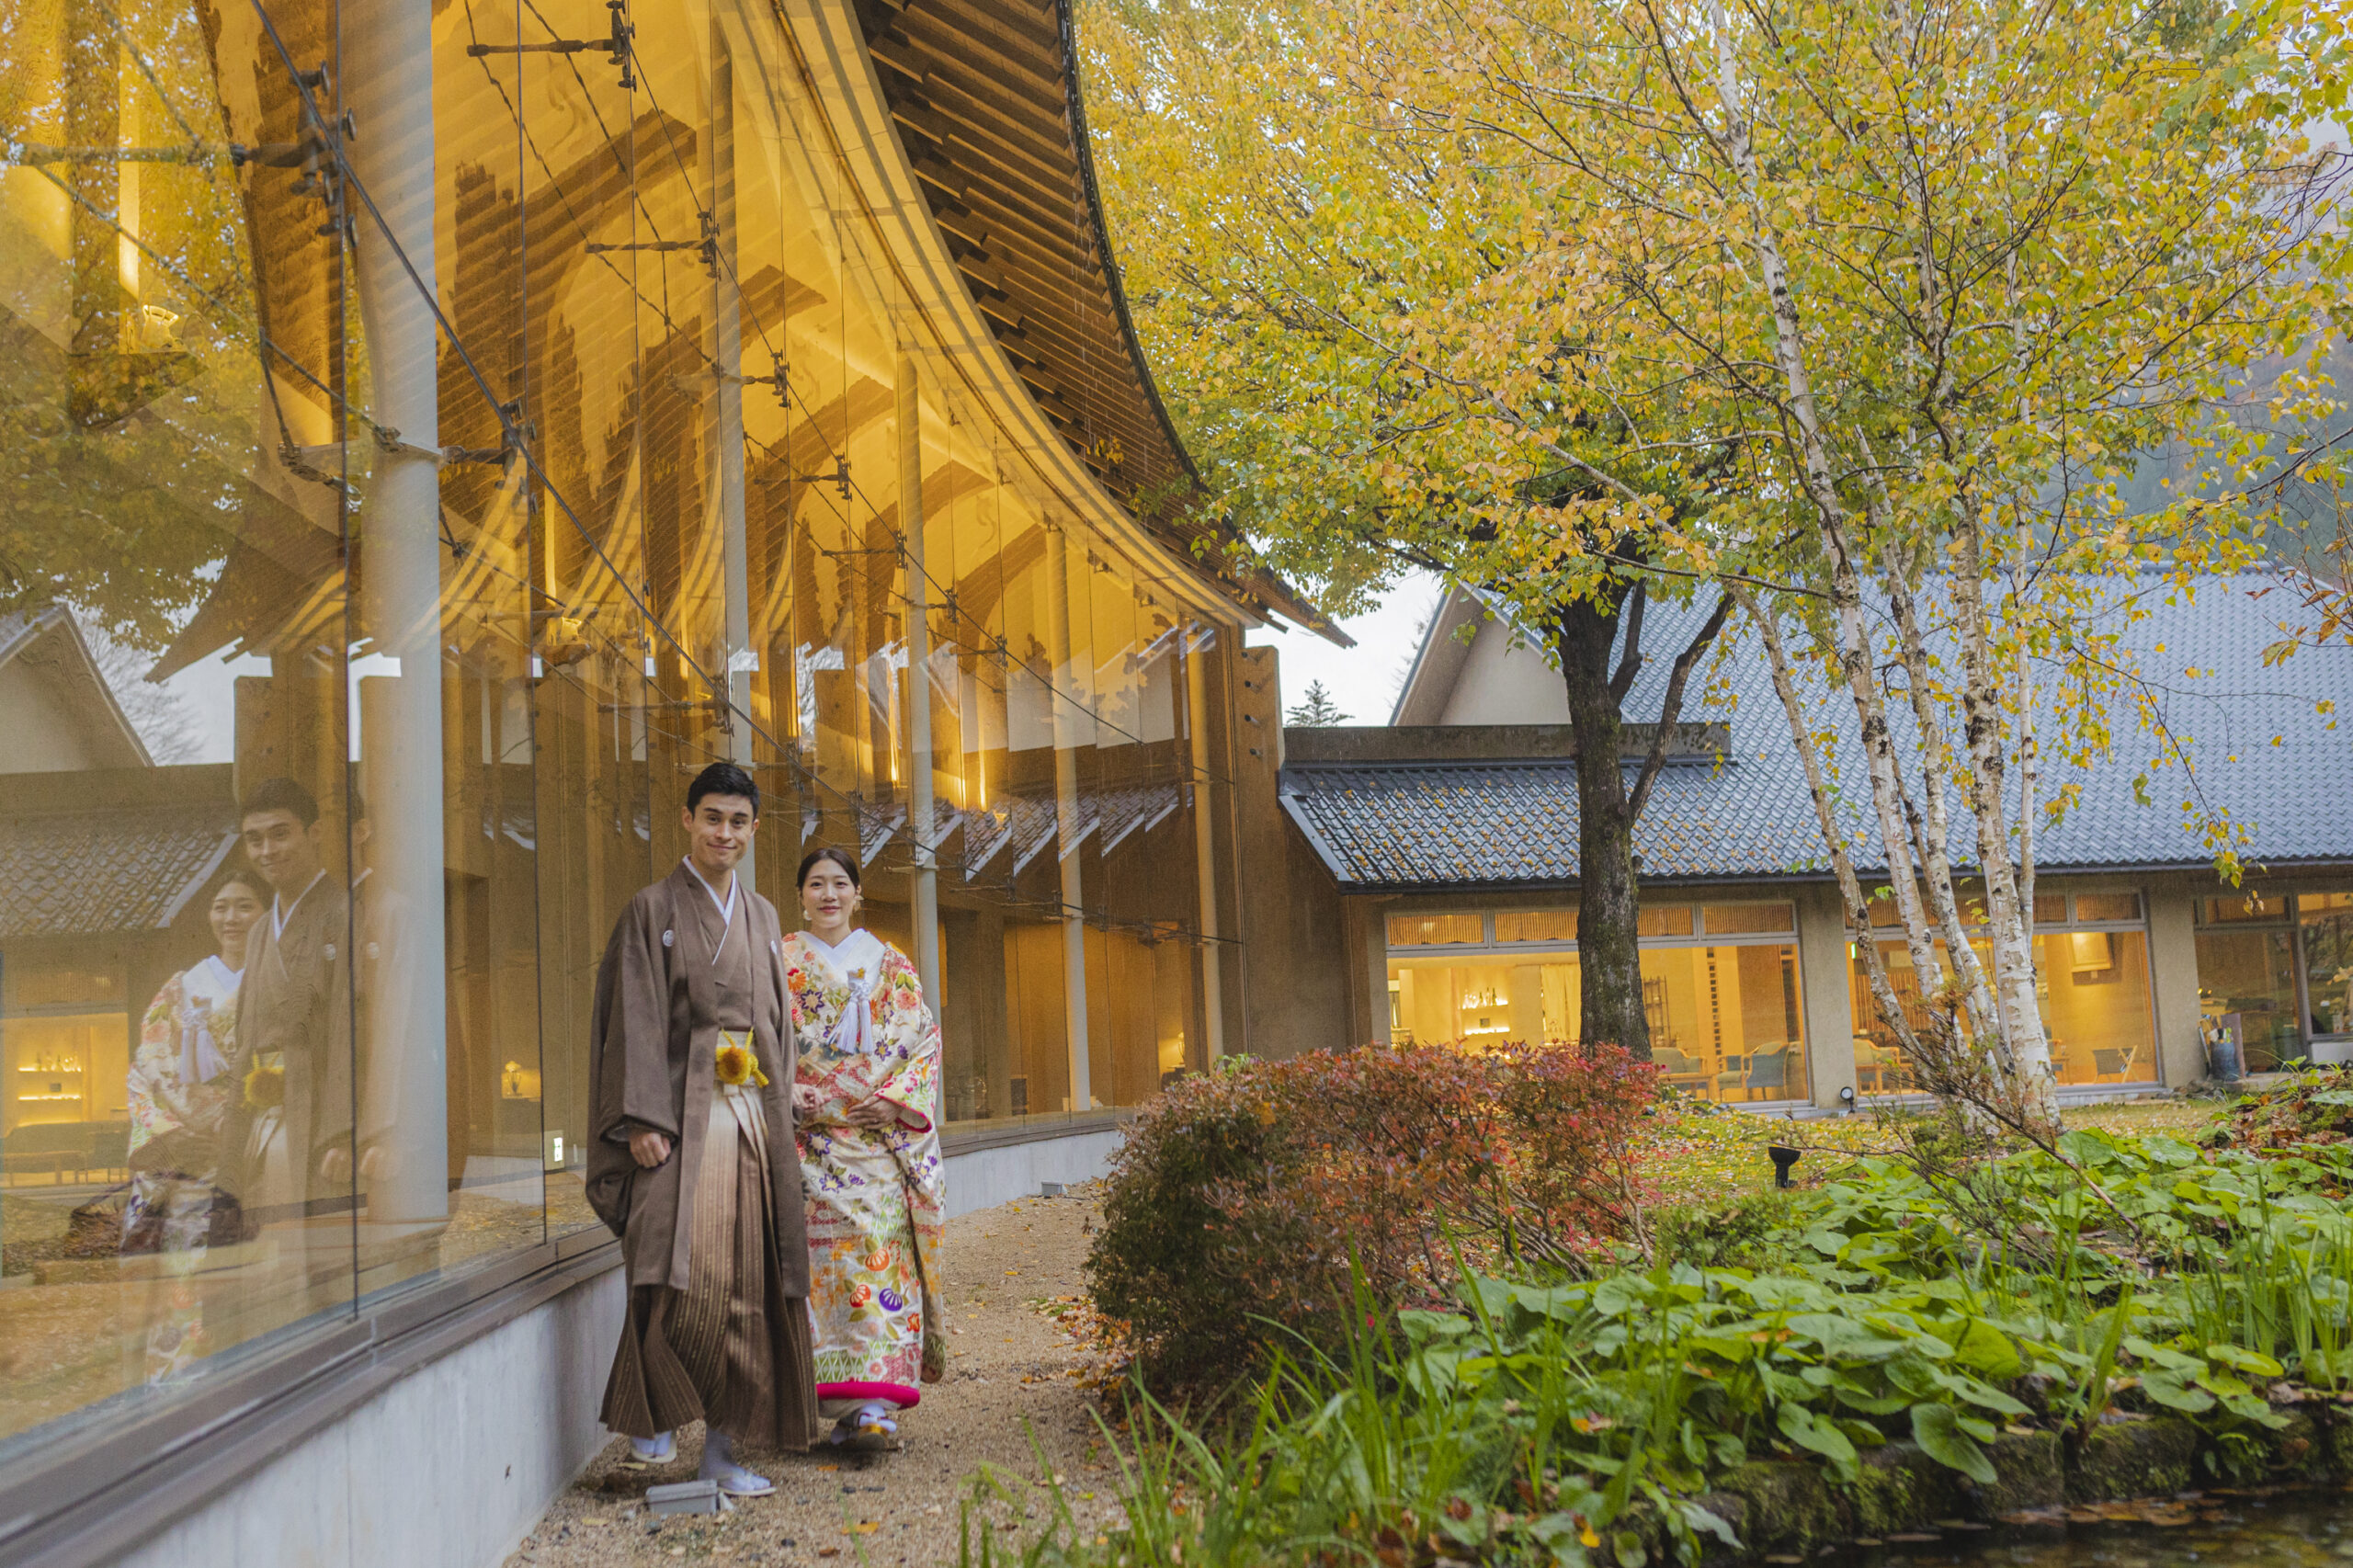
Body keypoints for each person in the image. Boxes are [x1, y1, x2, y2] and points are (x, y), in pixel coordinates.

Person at [588, 762, 817, 1495]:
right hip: (678, 1122)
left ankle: (723, 1452)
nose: (725, 832)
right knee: (666, 1274)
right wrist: (639, 1121)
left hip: (750, 1117)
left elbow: (777, 1028)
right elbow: (634, 1018)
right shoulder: (650, 908)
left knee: (750, 1283)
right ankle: (651, 1421)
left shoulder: (763, 916)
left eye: (739, 821)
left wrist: (785, 1124)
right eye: (712, 817)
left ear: (753, 830)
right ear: (687, 820)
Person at [784, 847, 945, 1448]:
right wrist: (788, 1092)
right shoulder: (779, 961)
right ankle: (827, 1404)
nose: (829, 895)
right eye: (817, 884)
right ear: (800, 894)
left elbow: (922, 1040)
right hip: (807, 1144)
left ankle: (875, 1403)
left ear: (858, 894)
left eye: (840, 884)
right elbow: (751, 1033)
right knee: (816, 1275)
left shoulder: (890, 965)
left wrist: (898, 1100)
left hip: (872, 1140)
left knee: (880, 1258)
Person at [122, 866, 267, 1379]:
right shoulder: (180, 987)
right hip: (176, 1161)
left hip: (242, 1157)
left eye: (245, 905)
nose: (231, 917)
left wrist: (232, 1129)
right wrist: (168, 1135)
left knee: (235, 1287)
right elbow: (146, 1067)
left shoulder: (273, 984)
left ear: (267, 912)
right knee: (167, 1286)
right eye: (221, 906)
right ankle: (167, 1391)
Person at [219, 778, 353, 1232]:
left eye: (281, 833)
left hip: (316, 1119)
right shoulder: (260, 932)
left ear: (313, 833)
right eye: (254, 840)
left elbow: (351, 1029)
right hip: (261, 1115)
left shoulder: (345, 913)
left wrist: (345, 1132)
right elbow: (245, 1040)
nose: (267, 850)